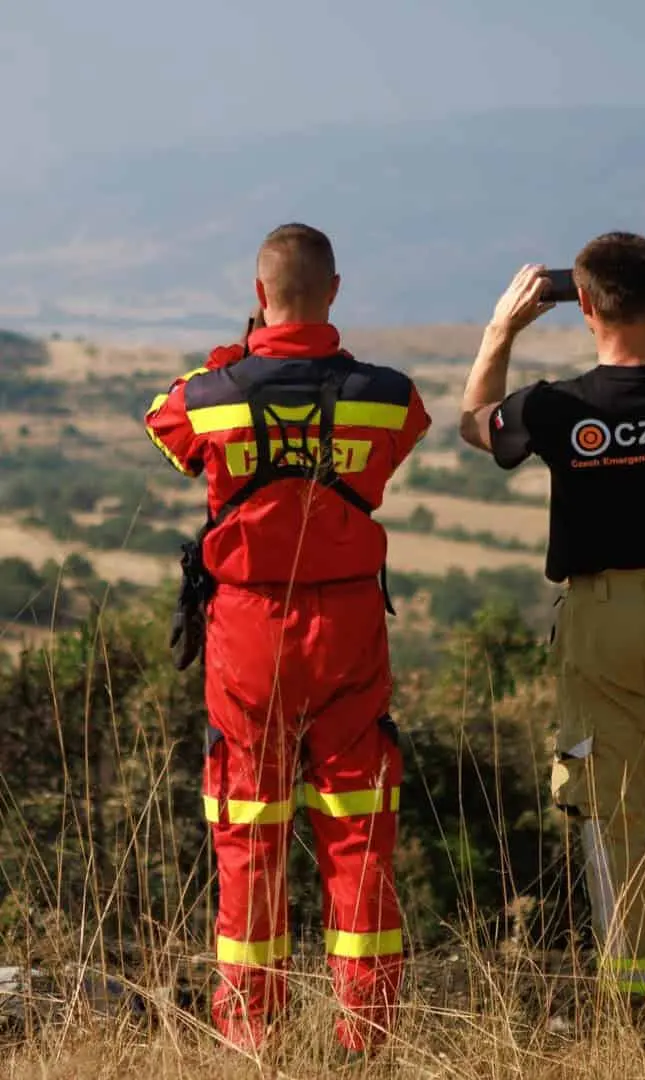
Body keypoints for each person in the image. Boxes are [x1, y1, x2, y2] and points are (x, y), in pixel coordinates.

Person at [457, 233, 645, 1026]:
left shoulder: (560, 406)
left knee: (615, 809)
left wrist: (501, 330)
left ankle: (641, 1009)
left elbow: (472, 424)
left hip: (601, 618)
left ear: (582, 304)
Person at [144, 224, 429, 1058]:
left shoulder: (216, 392)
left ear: (258, 290)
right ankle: (366, 1037)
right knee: (359, 832)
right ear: (335, 291)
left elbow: (163, 418)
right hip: (347, 628)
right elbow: (407, 433)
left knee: (248, 832)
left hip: (247, 631)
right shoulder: (387, 393)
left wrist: (239, 348)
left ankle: (249, 1035)